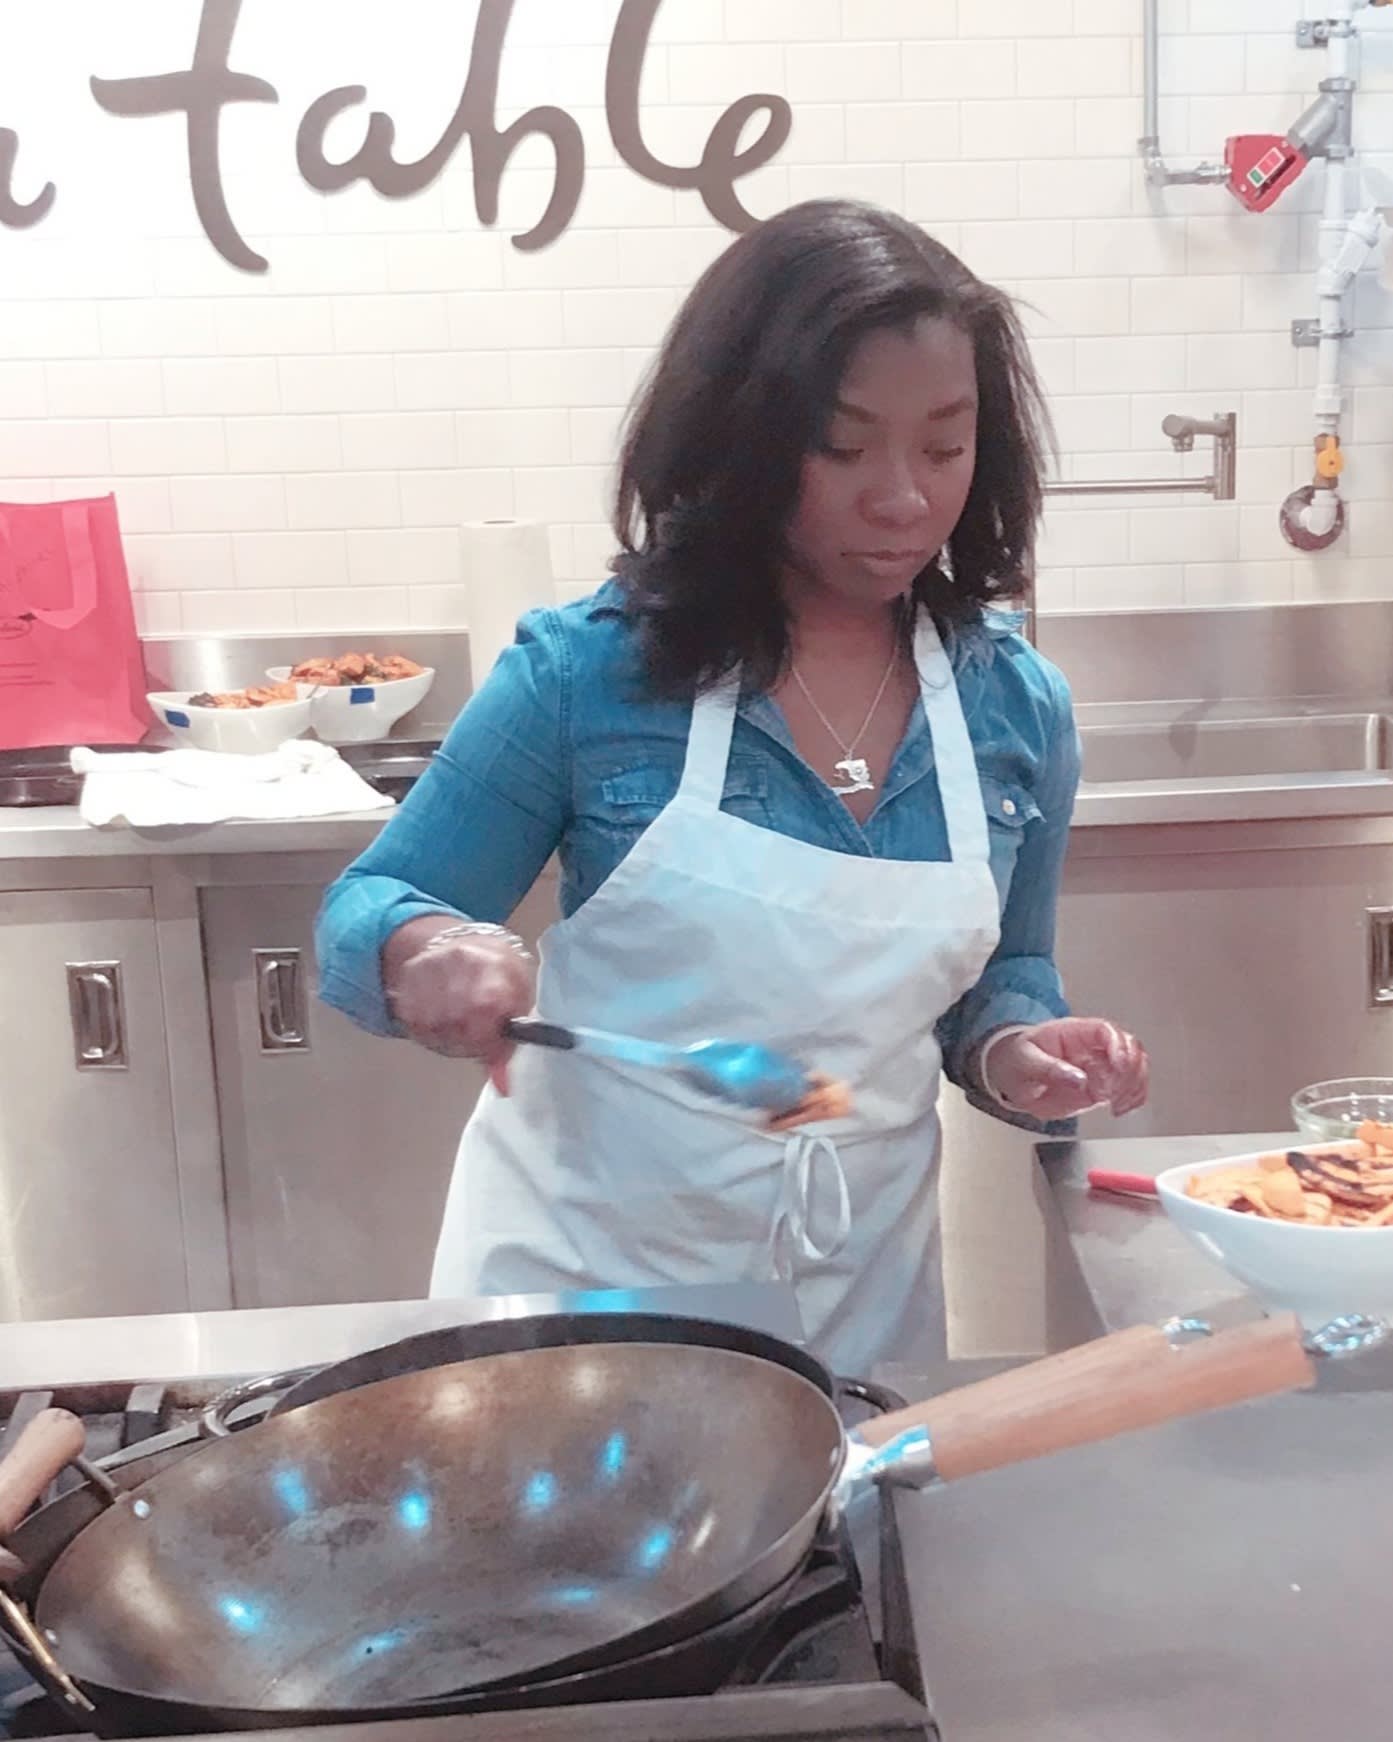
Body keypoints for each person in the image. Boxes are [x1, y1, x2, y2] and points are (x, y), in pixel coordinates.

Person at [316, 198, 1148, 1374]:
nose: (903, 496)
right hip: (578, 1312)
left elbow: (996, 977)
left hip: (856, 1317)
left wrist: (1017, 1050)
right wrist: (423, 949)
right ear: (745, 438)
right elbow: (368, 904)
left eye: (944, 444)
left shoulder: (1013, 710)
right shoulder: (590, 673)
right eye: (844, 446)